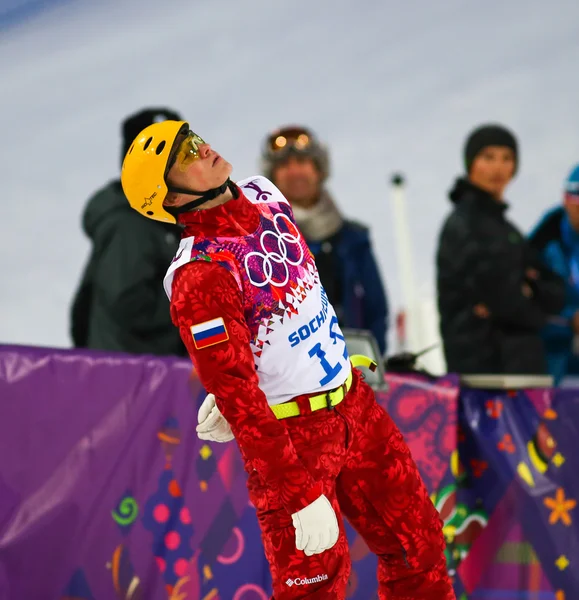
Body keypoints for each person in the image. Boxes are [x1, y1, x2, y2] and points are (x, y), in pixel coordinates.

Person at [120, 119, 453, 599]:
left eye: (194, 139)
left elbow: (298, 301)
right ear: (170, 199)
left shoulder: (264, 191)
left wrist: (270, 371)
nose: (202, 148)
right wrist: (295, 492)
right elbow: (237, 391)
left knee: (419, 548)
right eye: (185, 156)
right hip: (296, 442)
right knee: (315, 590)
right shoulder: (199, 275)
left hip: (355, 404)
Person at [436, 124, 564, 375]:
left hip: (520, 368)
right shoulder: (463, 225)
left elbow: (556, 290)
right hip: (484, 375)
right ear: (471, 163)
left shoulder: (508, 230)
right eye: (488, 157)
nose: (498, 168)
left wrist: (531, 290)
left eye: (507, 158)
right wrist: (535, 311)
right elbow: (499, 295)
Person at [260, 125, 389, 356]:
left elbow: (376, 312)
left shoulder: (354, 240)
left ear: (319, 170)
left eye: (302, 162)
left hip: (354, 372)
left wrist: (371, 366)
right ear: (272, 177)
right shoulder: (260, 244)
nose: (294, 172)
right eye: (284, 165)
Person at [70, 107, 186, 357]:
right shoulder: (130, 225)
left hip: (150, 377)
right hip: (135, 380)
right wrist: (201, 305)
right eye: (157, 151)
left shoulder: (166, 222)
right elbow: (129, 303)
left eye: (177, 151)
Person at [528, 163, 579, 383]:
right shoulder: (541, 247)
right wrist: (570, 321)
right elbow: (525, 307)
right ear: (566, 200)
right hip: (553, 364)